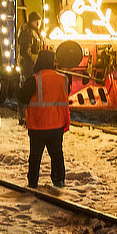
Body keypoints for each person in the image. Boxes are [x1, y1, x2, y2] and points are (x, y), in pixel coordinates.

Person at [16, 48, 71, 188]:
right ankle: (59, 180)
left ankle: (33, 182)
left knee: (35, 156)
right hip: (57, 124)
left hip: (38, 125)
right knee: (57, 155)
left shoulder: (34, 79)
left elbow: (21, 97)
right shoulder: (63, 79)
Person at [15, 13, 43, 126]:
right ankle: (23, 116)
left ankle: (29, 116)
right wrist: (36, 60)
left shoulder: (33, 32)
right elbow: (25, 51)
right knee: (26, 91)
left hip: (30, 66)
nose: (39, 24)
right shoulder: (27, 32)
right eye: (37, 21)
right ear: (33, 21)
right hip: (27, 67)